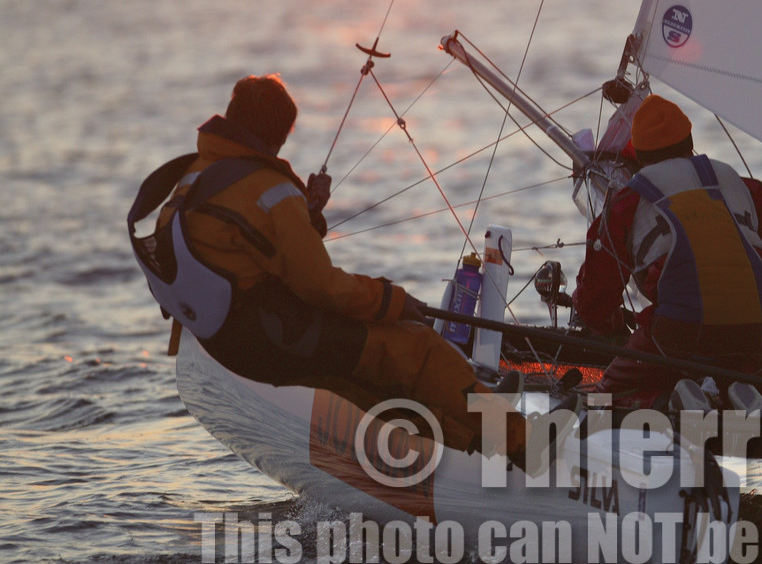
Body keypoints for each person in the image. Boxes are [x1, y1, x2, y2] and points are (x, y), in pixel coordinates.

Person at [132, 74, 520, 460]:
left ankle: (467, 443)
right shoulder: (268, 188)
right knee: (416, 349)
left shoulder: (194, 175)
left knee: (364, 387)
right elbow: (321, 286)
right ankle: (523, 442)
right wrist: (393, 300)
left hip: (227, 343)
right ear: (278, 136)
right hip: (275, 336)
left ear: (233, 119)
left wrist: (308, 213)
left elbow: (252, 248)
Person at [571, 95, 762, 405]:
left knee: (607, 398)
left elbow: (596, 296)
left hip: (678, 332)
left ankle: (673, 399)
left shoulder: (626, 202)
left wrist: (608, 324)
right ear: (690, 142)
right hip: (758, 334)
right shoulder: (744, 186)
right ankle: (757, 399)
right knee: (761, 381)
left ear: (639, 155)